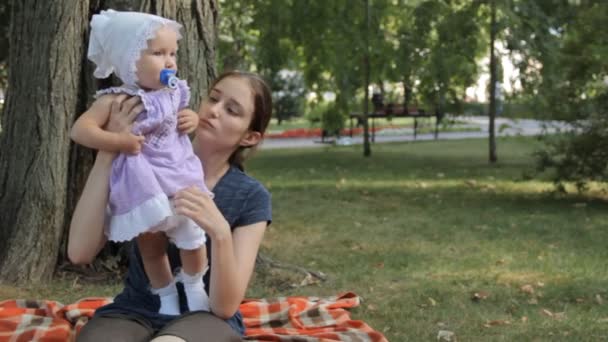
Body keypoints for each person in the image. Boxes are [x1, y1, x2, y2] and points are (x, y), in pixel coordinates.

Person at [69, 70, 272, 341]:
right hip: (134, 311)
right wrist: (110, 148)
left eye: (232, 110)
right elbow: (79, 253)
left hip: (206, 318)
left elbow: (225, 307)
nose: (214, 111)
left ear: (250, 137)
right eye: (213, 99)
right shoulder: (140, 165)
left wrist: (220, 231)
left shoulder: (250, 196)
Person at [70, 10, 212, 315]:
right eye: (158, 53)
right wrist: (118, 141)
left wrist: (192, 119)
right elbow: (81, 130)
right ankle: (166, 296)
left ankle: (193, 284)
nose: (170, 61)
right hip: (143, 184)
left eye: (173, 53)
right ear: (129, 60)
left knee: (193, 236)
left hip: (177, 178)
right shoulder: (115, 100)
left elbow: (180, 119)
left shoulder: (174, 92)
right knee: (150, 247)